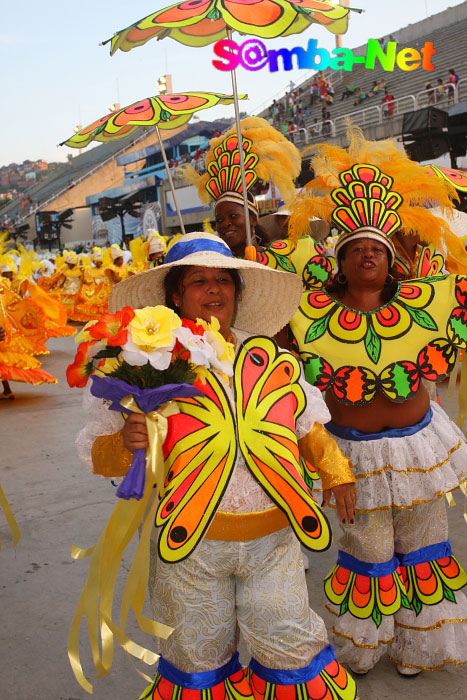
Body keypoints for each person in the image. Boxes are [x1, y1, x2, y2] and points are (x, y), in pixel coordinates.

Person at [79, 231, 358, 700]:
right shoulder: (144, 363)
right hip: (189, 548)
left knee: (290, 647)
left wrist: (337, 470)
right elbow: (97, 452)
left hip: (274, 543)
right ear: (175, 295)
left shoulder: (268, 356)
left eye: (223, 281)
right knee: (197, 657)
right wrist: (127, 443)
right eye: (198, 281)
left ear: (238, 291)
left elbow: (306, 424)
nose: (213, 291)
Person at [288, 128, 467, 677]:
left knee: (424, 547)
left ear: (393, 260)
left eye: (377, 249)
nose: (367, 256)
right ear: (339, 259)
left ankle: (418, 647)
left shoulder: (431, 304)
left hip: (420, 452)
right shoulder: (304, 316)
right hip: (352, 457)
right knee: (367, 552)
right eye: (356, 249)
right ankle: (364, 646)